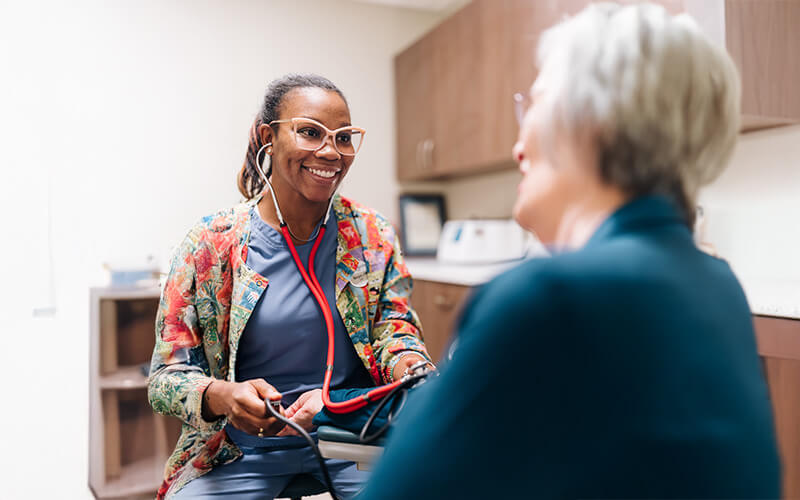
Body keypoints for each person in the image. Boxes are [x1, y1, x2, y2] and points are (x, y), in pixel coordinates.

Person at [358, 3, 780, 499]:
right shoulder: (717, 284)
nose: (518, 147)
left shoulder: (547, 298)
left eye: (532, 107)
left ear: (590, 122)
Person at [147, 73, 433, 499]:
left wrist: (412, 371)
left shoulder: (373, 236)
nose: (331, 152)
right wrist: (224, 395)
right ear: (269, 137)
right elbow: (164, 378)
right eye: (310, 132)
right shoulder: (210, 244)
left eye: (344, 137)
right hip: (238, 448)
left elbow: (396, 330)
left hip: (351, 433)